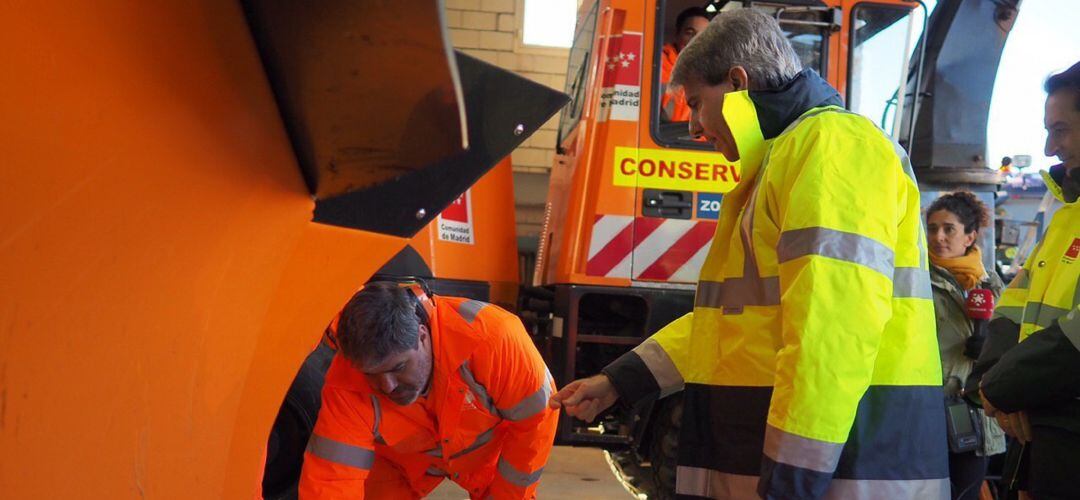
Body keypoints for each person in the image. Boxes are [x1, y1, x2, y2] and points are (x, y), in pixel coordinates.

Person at [551, 8, 948, 499]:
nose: (694, 127)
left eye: (696, 103)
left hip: (844, 477)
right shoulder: (786, 158)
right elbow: (730, 325)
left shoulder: (831, 146)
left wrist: (792, 481)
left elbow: (831, 332)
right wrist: (620, 380)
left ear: (738, 82)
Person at [300, 281, 558, 499]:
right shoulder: (348, 380)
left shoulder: (493, 340)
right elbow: (331, 481)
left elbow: (535, 421)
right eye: (372, 374)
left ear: (422, 335)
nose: (387, 385)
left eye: (398, 367)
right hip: (397, 466)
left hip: (486, 458)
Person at [972, 61, 1080, 500]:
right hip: (1041, 426)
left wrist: (1003, 386)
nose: (1050, 148)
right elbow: (1017, 298)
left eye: (1061, 129)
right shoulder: (1066, 214)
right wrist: (994, 379)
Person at [925, 192, 1006, 499]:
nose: (938, 237)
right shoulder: (915, 279)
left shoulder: (991, 285)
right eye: (932, 228)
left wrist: (990, 345)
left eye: (949, 229)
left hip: (976, 413)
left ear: (970, 236)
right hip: (928, 408)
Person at [660, 7, 710, 122]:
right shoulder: (657, 64)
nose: (696, 40)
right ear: (677, 35)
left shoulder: (717, 72)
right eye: (690, 33)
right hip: (666, 138)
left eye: (704, 35)